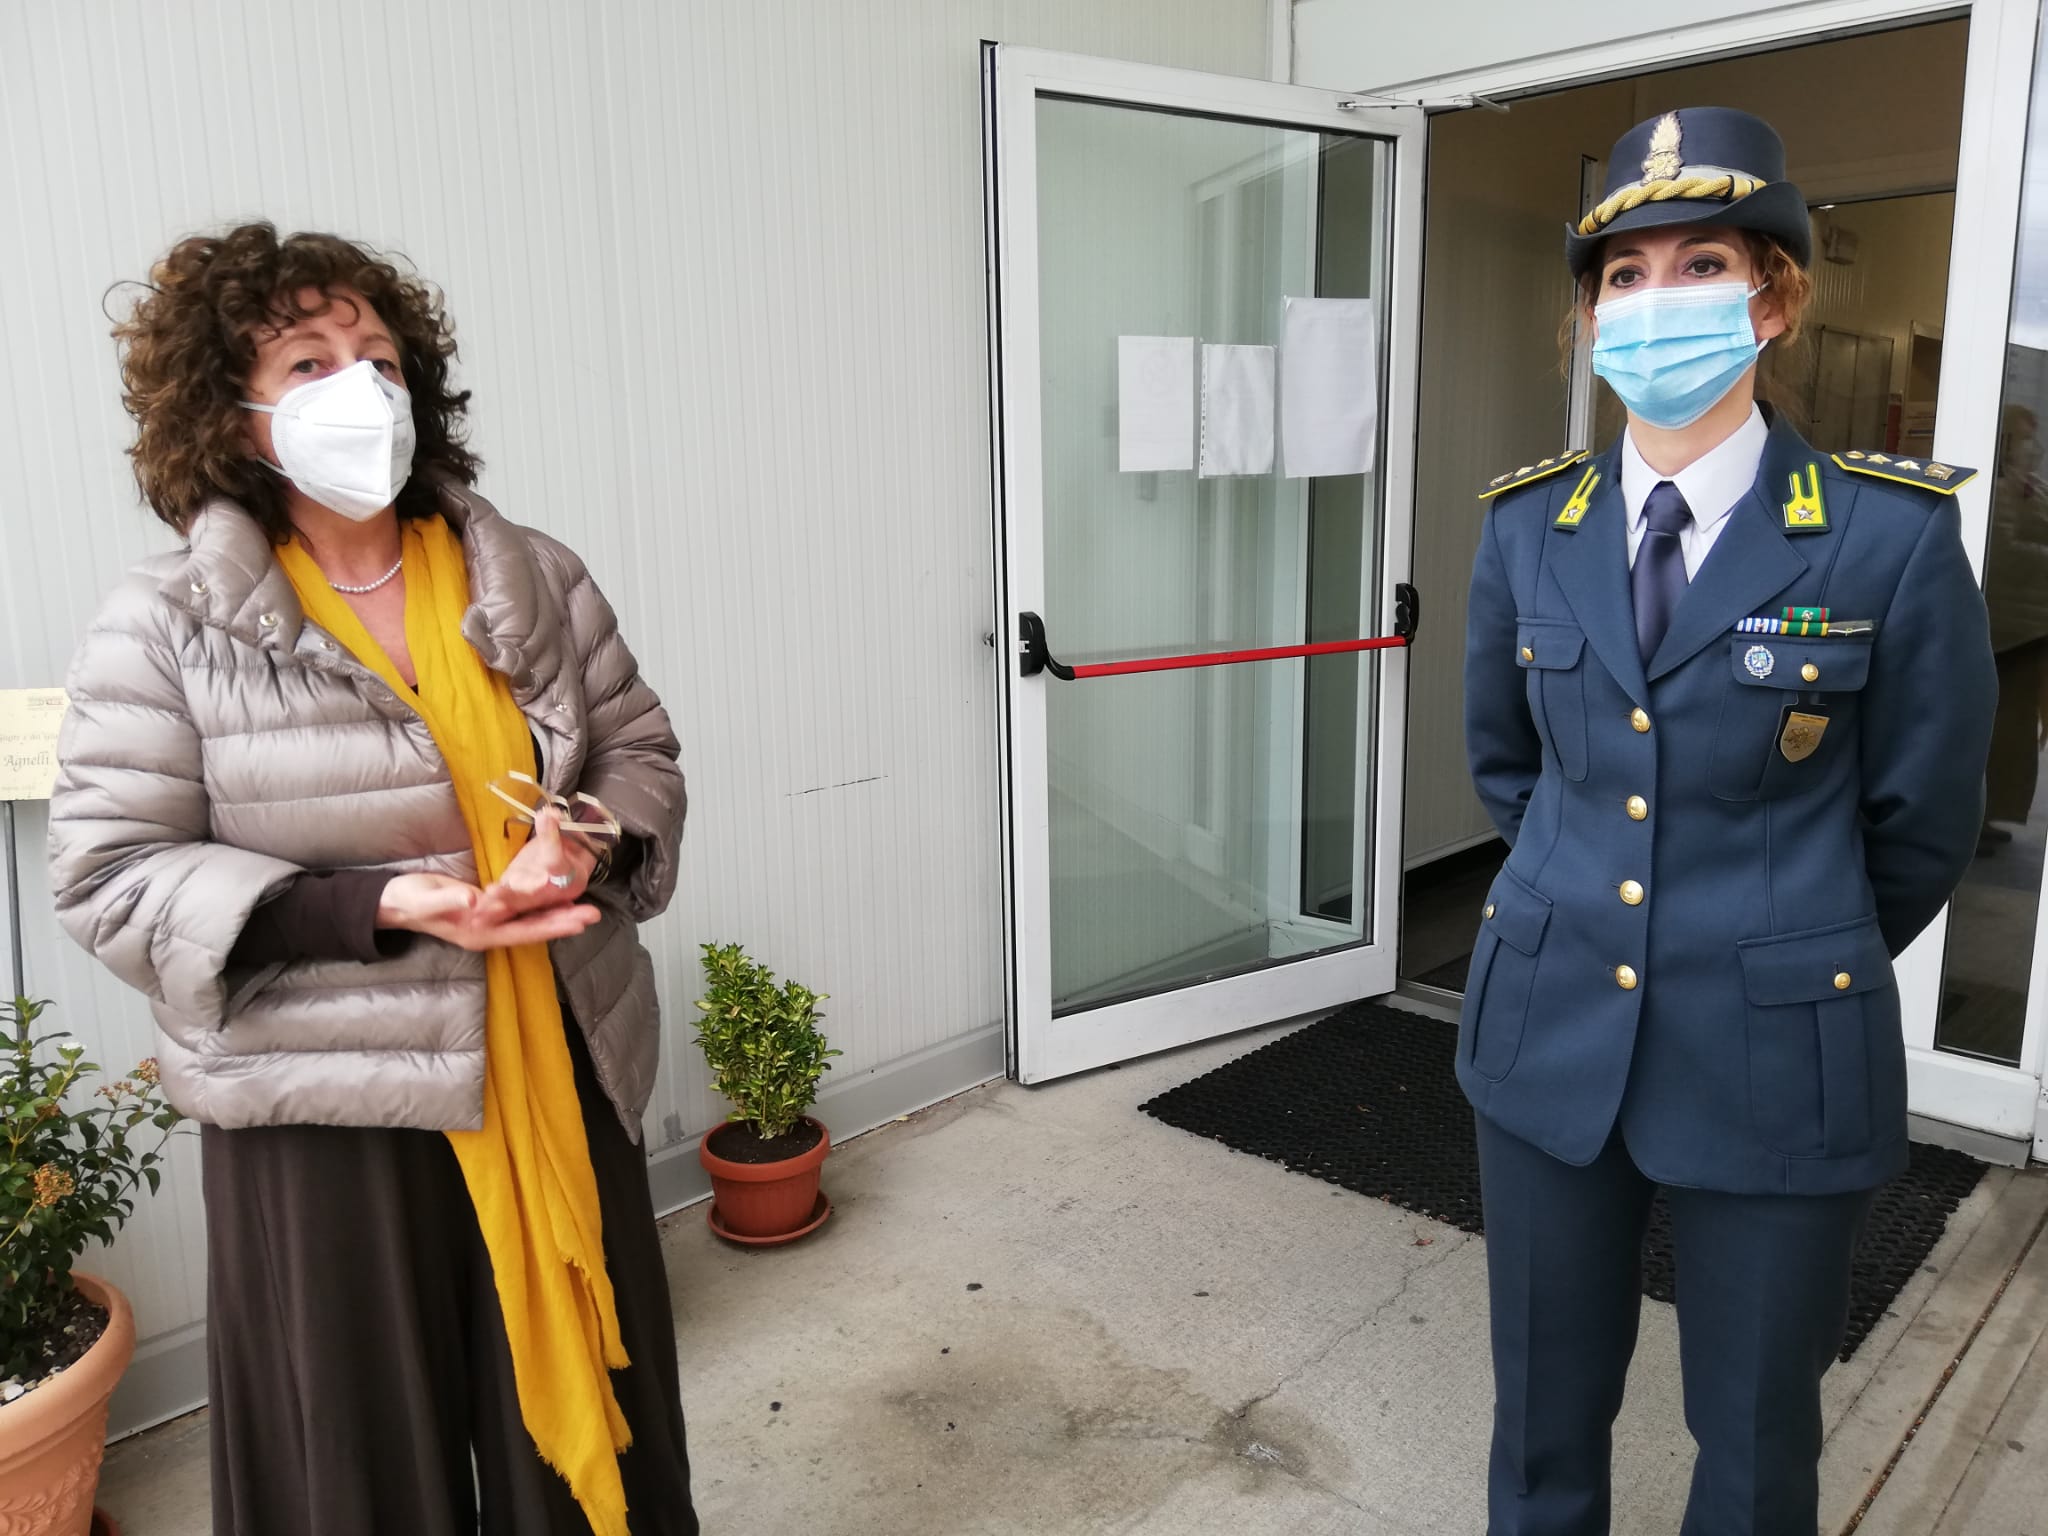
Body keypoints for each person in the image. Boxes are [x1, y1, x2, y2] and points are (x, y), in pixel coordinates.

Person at [48, 223, 697, 1536]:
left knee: (594, 1438)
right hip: (324, 1105)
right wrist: (381, 904)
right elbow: (113, 875)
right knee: (355, 1465)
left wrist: (581, 835)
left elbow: (638, 753)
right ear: (229, 412)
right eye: (309, 362)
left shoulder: (533, 575)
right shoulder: (165, 622)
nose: (363, 389)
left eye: (383, 360)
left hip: (557, 1055)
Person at [1460, 108, 1996, 1535]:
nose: (1658, 300)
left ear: (1774, 299)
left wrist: (1784, 940)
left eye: (1701, 264)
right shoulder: (1527, 529)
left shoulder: (1887, 535)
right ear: (1589, 319)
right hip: (1547, 1031)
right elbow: (1510, 774)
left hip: (1775, 1051)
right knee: (1539, 1419)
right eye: (1624, 275)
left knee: (1757, 1444)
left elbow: (1922, 822)